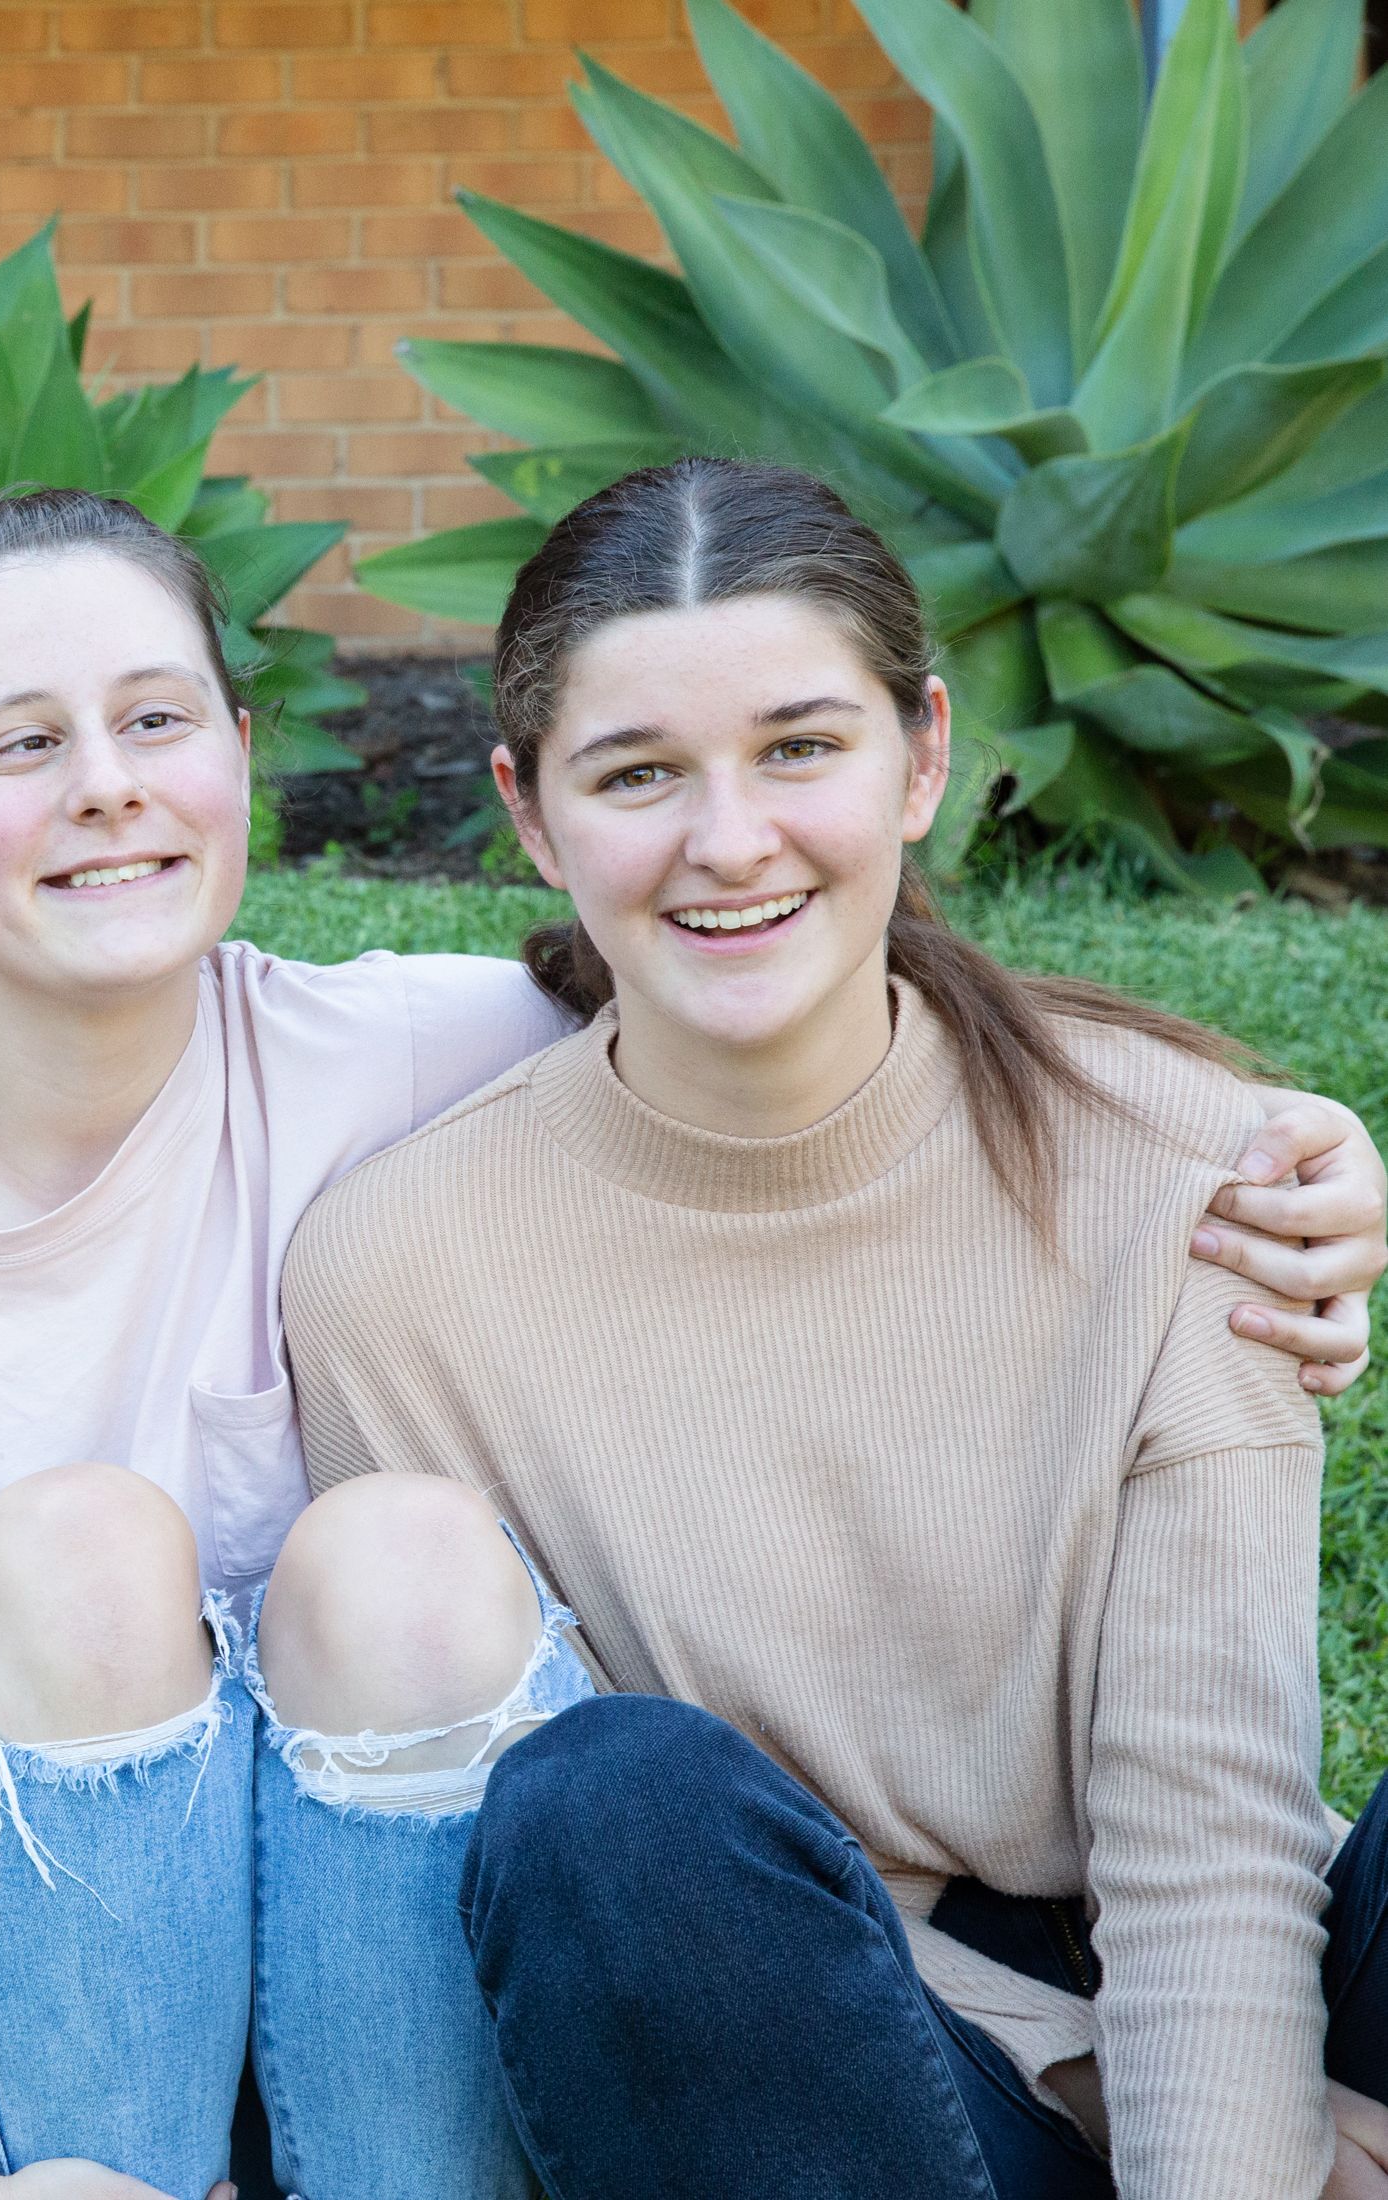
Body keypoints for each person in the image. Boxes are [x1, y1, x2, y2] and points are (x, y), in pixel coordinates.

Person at [0, 486, 1388, 2200]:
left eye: (153, 719)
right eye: (20, 745)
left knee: (426, 1599)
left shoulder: (412, 1060)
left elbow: (792, 981)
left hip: (476, 1984)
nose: (106, 790)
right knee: (261, 1639)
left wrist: (1239, 1141)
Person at [277, 456, 1388, 2200]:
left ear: (922, 753)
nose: (731, 840)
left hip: (1249, 2020)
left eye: (802, 749)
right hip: (841, 2062)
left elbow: (1208, 1832)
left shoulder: (1191, 1174)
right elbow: (576, 1907)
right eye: (639, 774)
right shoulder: (399, 1273)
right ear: (531, 812)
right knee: (612, 1806)